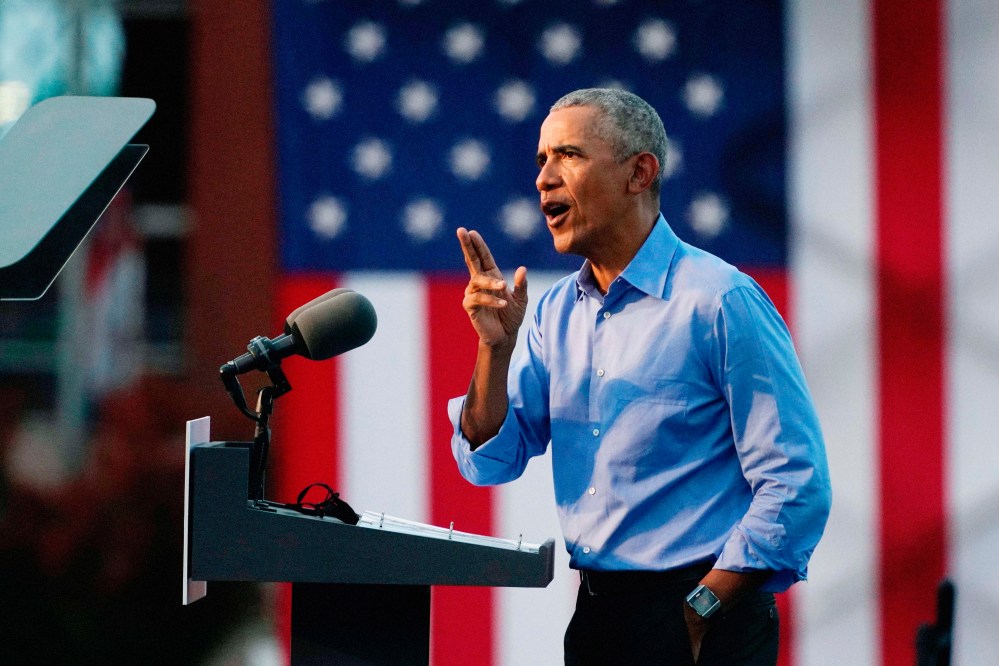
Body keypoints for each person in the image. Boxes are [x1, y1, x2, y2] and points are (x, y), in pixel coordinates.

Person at [449, 88, 831, 665]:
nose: (544, 180)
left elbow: (796, 483)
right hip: (599, 618)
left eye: (568, 155)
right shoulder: (554, 312)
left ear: (639, 173)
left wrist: (706, 604)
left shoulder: (719, 300)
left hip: (702, 614)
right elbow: (488, 460)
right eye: (541, 160)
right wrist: (493, 352)